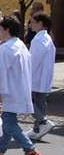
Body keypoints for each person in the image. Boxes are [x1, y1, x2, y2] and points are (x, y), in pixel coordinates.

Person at [0, 16, 44, 155]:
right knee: (8, 123)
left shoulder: (5, 48)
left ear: (6, 29)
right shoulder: (19, 45)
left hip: (8, 91)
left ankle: (31, 151)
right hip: (18, 89)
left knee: (9, 123)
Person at [27, 12, 55, 141]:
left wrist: (26, 74)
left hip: (36, 76)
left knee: (28, 101)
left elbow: (34, 60)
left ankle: (43, 122)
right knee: (40, 102)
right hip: (43, 77)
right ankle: (37, 129)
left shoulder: (39, 39)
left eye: (33, 22)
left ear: (41, 23)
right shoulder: (46, 37)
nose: (30, 24)